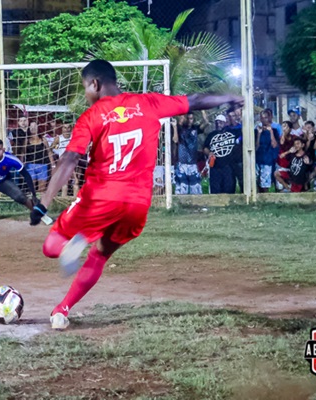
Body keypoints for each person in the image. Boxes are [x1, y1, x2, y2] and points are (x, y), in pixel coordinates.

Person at [29, 59, 242, 330]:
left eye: (85, 88)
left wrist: (43, 203)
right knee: (100, 256)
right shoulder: (149, 103)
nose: (86, 94)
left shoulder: (92, 116)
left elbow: (70, 159)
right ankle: (62, 310)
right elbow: (195, 100)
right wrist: (229, 97)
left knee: (51, 247)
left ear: (95, 84)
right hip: (137, 205)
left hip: (100, 198)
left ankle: (79, 241)